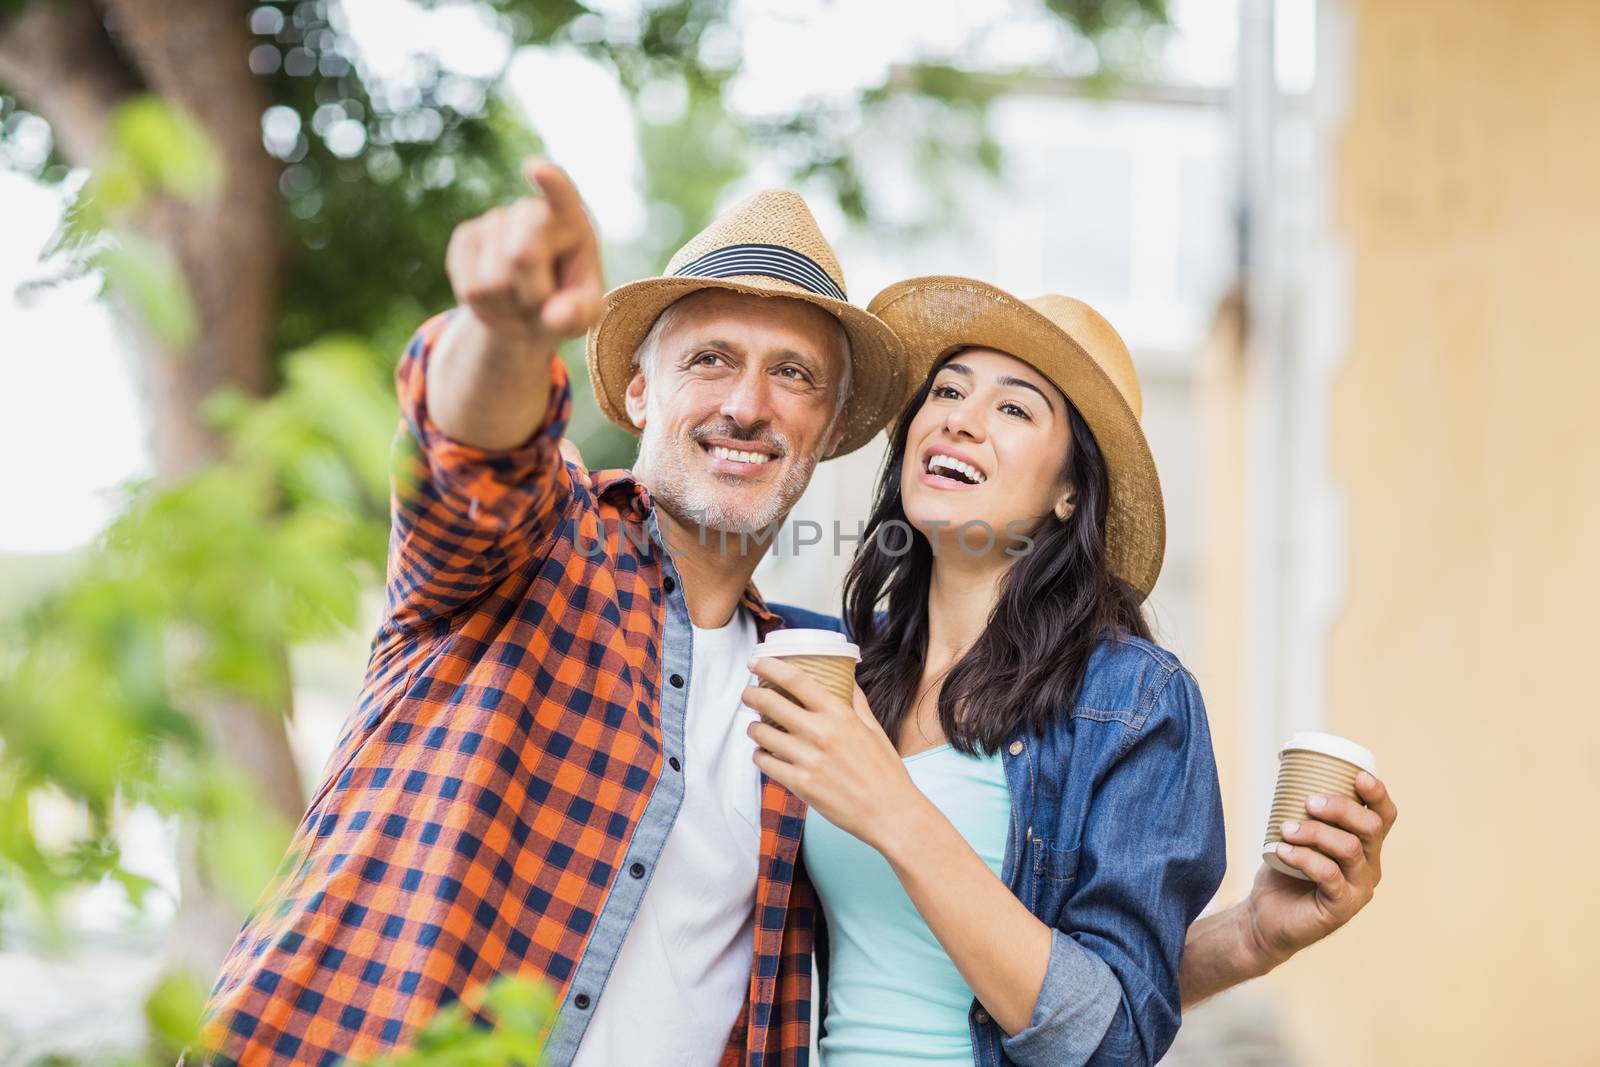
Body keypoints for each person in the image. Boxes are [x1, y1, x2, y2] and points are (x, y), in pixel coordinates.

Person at [195, 163, 1396, 1067]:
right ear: (635, 387)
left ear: (825, 433)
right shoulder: (534, 559)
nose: (748, 405)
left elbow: (1053, 987)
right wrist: (505, 328)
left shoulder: (815, 682)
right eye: (711, 357)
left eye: (795, 377)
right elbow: (470, 448)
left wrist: (1240, 938)